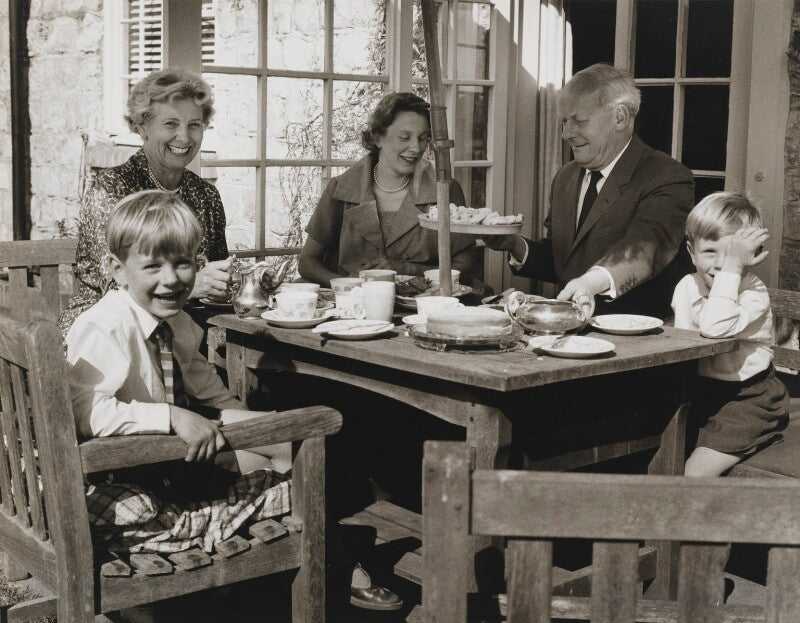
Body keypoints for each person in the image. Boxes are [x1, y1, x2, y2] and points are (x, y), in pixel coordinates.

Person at [66, 190, 401, 617]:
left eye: (183, 263)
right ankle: (335, 562)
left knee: (298, 447)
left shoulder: (176, 322)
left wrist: (260, 431)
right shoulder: (105, 326)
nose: (171, 279)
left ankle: (330, 542)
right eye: (152, 266)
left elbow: (207, 390)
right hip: (136, 480)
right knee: (302, 474)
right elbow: (85, 413)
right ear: (117, 270)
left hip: (171, 459)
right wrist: (171, 417)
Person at [482, 63, 694, 318]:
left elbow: (645, 249)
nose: (566, 134)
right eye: (563, 121)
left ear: (621, 117)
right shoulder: (566, 177)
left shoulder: (665, 176)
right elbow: (564, 261)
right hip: (569, 335)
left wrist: (589, 284)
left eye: (579, 121)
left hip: (633, 342)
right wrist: (515, 246)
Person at [59, 67, 235, 336]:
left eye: (194, 125)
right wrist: (191, 285)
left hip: (186, 330)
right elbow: (116, 288)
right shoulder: (112, 188)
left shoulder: (206, 195)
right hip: (109, 334)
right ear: (142, 127)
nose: (184, 137)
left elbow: (218, 278)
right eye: (170, 124)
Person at [299, 91, 482, 287]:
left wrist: (403, 269)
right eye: (404, 137)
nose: (416, 148)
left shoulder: (445, 189)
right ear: (378, 137)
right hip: (354, 308)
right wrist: (346, 286)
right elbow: (307, 263)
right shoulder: (340, 189)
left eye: (422, 138)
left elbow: (467, 266)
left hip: (425, 306)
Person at [672, 192, 789, 477]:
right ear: (691, 252)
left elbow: (714, 326)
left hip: (749, 400)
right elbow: (682, 344)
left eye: (732, 256)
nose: (720, 264)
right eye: (710, 251)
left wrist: (734, 270)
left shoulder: (754, 293)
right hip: (701, 395)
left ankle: (762, 433)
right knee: (653, 450)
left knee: (693, 474)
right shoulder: (687, 286)